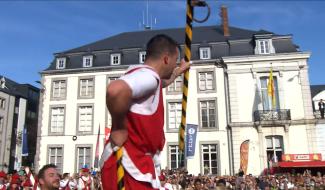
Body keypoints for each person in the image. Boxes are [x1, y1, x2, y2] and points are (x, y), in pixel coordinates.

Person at [100, 34, 190, 190]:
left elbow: (162, 82)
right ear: (166, 59)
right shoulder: (149, 77)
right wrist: (119, 128)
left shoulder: (146, 75)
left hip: (134, 162)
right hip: (128, 163)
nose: (175, 64)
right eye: (175, 61)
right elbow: (115, 90)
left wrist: (178, 72)